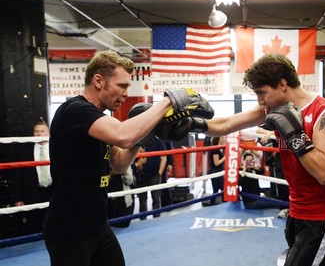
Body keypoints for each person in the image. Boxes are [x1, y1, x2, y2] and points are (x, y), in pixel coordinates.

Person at [168, 53, 325, 266]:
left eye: (262, 93)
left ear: (283, 84)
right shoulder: (273, 109)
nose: (260, 100)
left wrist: (295, 136)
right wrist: (193, 123)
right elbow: (228, 124)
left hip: (324, 215)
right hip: (298, 210)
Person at [42, 49, 214, 266]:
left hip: (97, 225)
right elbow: (123, 136)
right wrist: (169, 101)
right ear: (98, 81)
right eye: (121, 86)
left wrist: (144, 137)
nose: (125, 93)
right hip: (69, 230)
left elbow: (119, 164)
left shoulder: (100, 121)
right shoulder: (74, 110)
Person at [13, 120, 51, 235]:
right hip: (33, 192)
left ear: (49, 133)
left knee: (57, 222)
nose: (39, 134)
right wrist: (18, 198)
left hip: (54, 190)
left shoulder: (56, 148)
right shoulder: (25, 151)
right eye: (36, 131)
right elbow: (18, 176)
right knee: (34, 224)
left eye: (42, 131)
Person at [134, 137, 167, 219]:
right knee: (142, 200)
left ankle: (156, 219)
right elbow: (130, 157)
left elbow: (163, 158)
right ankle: (143, 220)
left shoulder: (158, 142)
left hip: (154, 175)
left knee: (156, 199)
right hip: (140, 176)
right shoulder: (137, 142)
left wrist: (159, 173)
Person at [208, 136, 225, 205]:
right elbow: (216, 162)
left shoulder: (219, 149)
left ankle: (212, 203)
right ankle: (224, 203)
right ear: (218, 139)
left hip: (217, 171)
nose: (224, 139)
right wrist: (225, 157)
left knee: (217, 190)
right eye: (222, 138)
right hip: (216, 171)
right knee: (221, 189)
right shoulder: (216, 150)